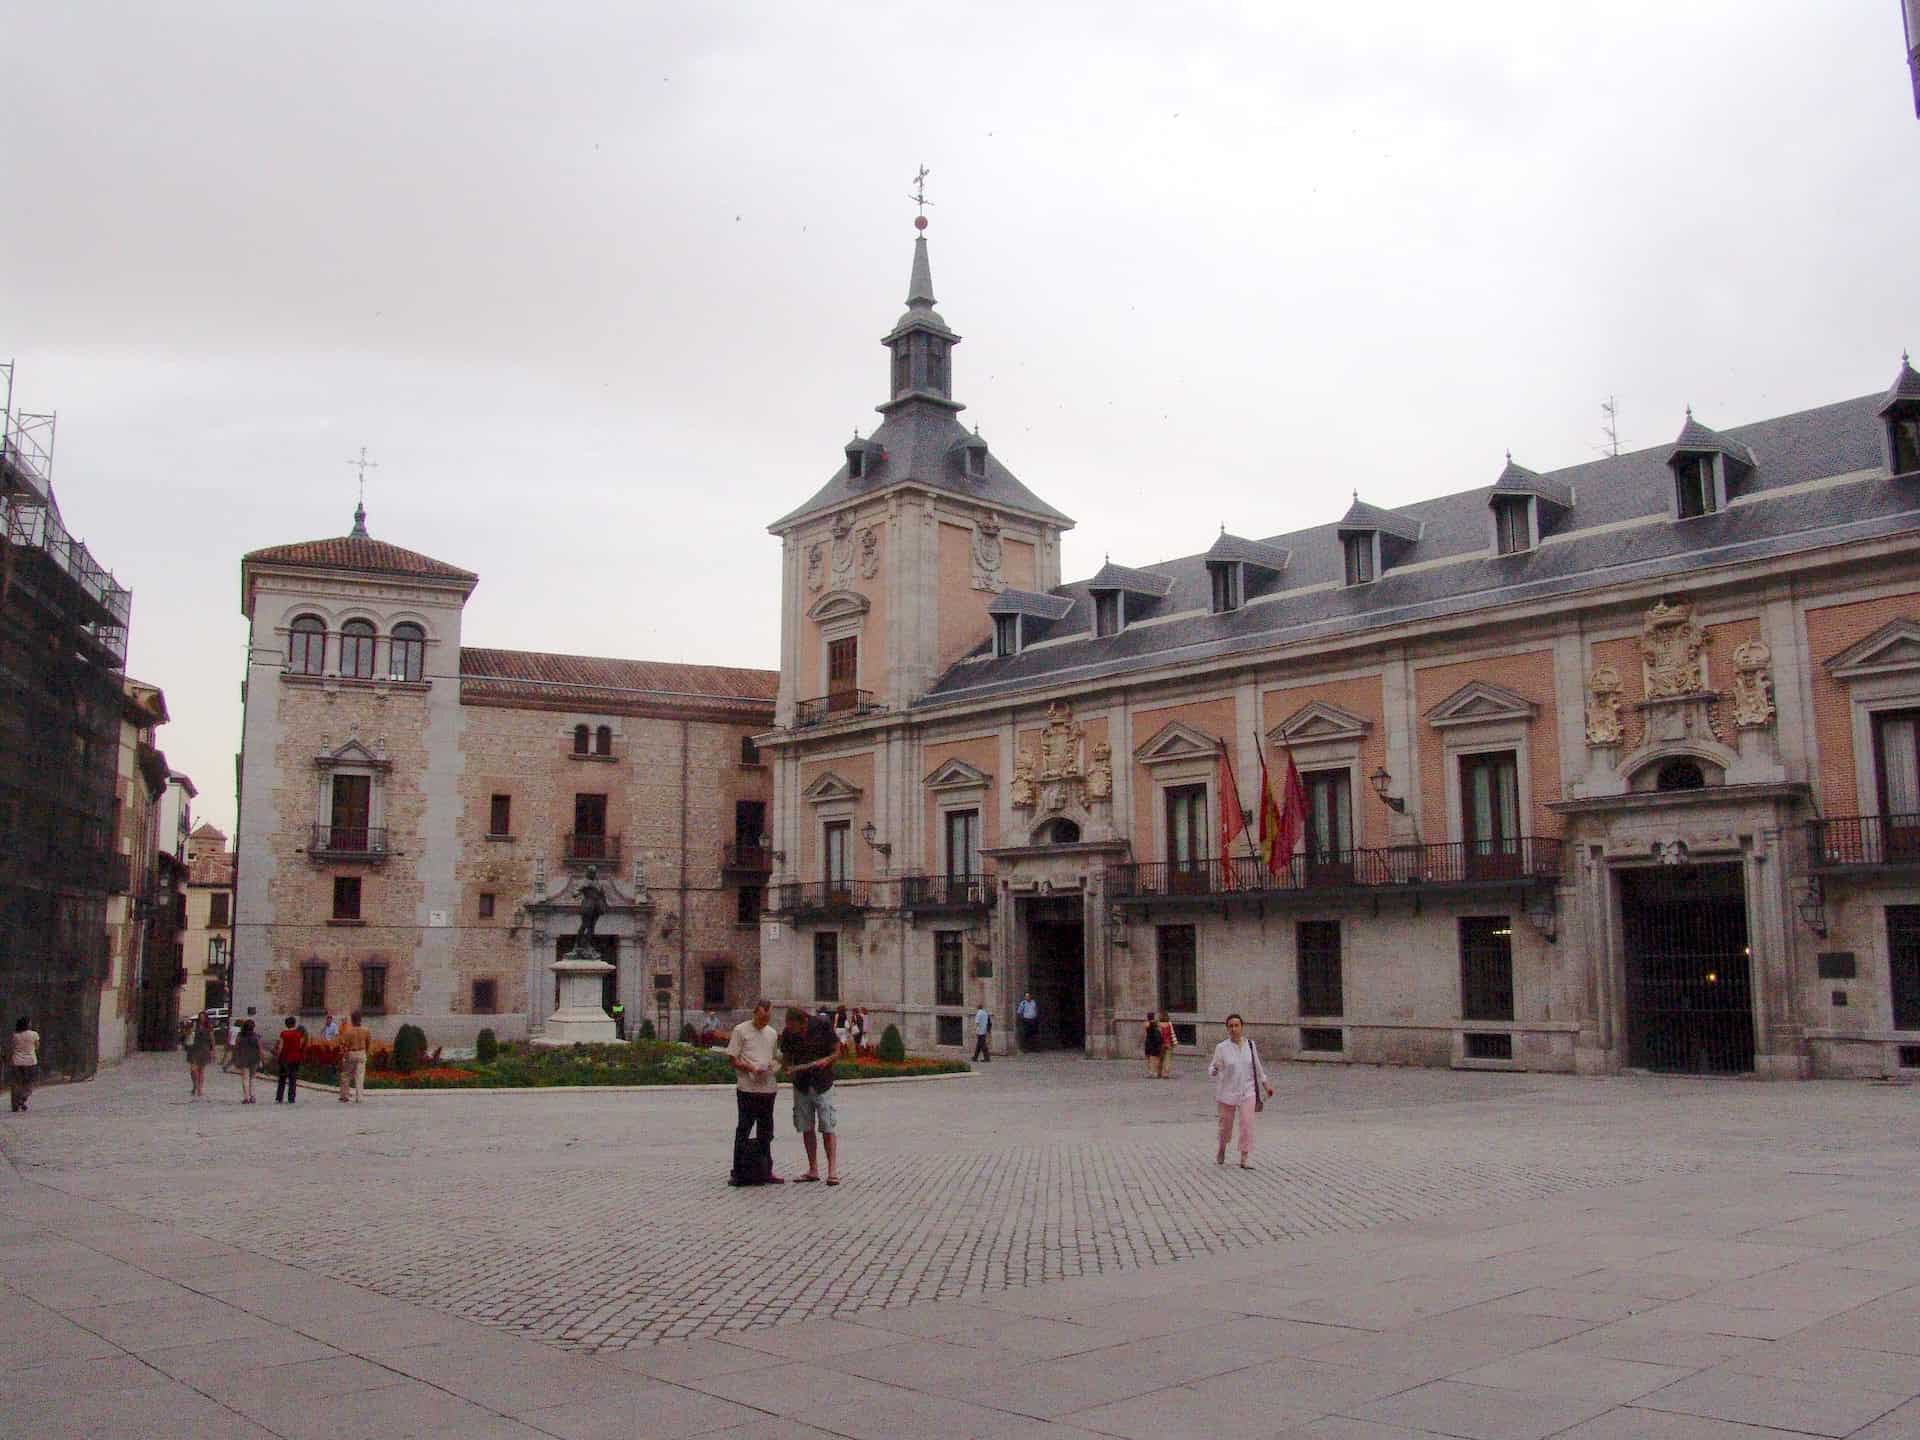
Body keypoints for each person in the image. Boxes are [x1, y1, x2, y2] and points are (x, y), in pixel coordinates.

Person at [778, 1006, 842, 1185]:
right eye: (788, 1026)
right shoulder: (788, 1033)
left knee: (827, 1126)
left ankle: (832, 1171)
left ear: (803, 1021)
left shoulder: (822, 1025)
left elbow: (837, 1050)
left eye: (793, 1026)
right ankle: (813, 1169)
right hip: (801, 1085)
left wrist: (826, 1060)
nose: (790, 1029)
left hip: (823, 1083)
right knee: (806, 1127)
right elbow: (785, 1055)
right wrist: (787, 1069)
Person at [726, 999, 783, 1186]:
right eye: (761, 1018)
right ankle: (738, 1171)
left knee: (766, 1131)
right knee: (744, 1128)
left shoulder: (772, 1033)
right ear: (754, 1014)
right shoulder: (740, 1031)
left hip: (767, 1088)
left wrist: (772, 1067)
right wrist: (750, 1067)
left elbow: (776, 1058)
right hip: (747, 1087)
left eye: (767, 1018)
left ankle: (766, 1169)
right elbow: (733, 1059)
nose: (764, 1022)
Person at [1208, 1013, 1273, 1169]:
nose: (1234, 1029)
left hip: (1247, 1091)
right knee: (1225, 1126)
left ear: (1242, 1027)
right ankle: (1222, 1146)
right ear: (1227, 1029)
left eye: (1237, 1025)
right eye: (1230, 1026)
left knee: (1247, 1123)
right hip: (1227, 1093)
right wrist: (1215, 1069)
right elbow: (1211, 1069)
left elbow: (1257, 1067)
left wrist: (1266, 1085)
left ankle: (1245, 1156)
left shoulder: (1250, 1045)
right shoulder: (1222, 1048)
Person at [337, 1010, 372, 1103]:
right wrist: (366, 1052)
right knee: (360, 1076)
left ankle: (344, 1096)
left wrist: (344, 1054)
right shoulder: (366, 1030)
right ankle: (359, 1097)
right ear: (360, 1019)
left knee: (346, 1075)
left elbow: (344, 1044)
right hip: (362, 1053)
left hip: (351, 1053)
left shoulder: (348, 1032)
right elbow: (369, 1043)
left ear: (352, 1020)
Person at [9, 1016, 40, 1113]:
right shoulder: (34, 1034)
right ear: (27, 1024)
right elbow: (37, 1046)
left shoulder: (15, 1035)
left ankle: (16, 1102)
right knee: (29, 1082)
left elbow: (12, 1047)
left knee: (18, 1082)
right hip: (30, 1061)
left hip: (17, 1061)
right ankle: (22, 1098)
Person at [273, 1015, 304, 1104]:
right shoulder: (299, 1034)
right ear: (294, 1024)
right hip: (295, 1058)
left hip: (285, 1058)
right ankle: (291, 1098)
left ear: (286, 1024)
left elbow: (280, 1047)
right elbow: (300, 1045)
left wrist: (277, 1055)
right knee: (293, 1079)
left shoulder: (284, 1034)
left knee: (282, 1078)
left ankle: (279, 1097)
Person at [232, 1019, 263, 1103]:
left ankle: (246, 1097)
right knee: (252, 1078)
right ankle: (252, 1096)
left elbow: (236, 1048)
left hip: (243, 1058)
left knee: (245, 1078)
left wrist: (235, 1058)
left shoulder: (240, 1036)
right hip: (254, 1058)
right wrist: (261, 1060)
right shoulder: (256, 1036)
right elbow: (260, 1049)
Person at [185, 1016, 214, 1099]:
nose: (202, 1019)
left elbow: (212, 1039)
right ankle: (195, 1085)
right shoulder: (194, 1026)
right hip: (193, 1049)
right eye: (200, 1017)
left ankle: (199, 1088)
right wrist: (189, 1029)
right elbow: (187, 1035)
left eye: (203, 1017)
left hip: (204, 1049)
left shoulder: (208, 1028)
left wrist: (213, 1051)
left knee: (201, 1070)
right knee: (193, 1069)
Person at [1142, 1012, 1163, 1078]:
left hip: (1149, 1041)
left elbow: (1144, 1032)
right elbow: (1160, 1031)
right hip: (1156, 1042)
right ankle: (1156, 1072)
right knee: (1156, 1057)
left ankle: (1150, 1071)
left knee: (1148, 1057)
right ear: (1153, 1016)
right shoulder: (1157, 1023)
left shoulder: (1146, 1023)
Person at [1157, 1012, 1177, 1078]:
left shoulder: (1158, 1025)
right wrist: (1175, 1042)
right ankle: (1166, 1073)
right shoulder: (1169, 1024)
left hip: (1160, 1044)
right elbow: (1172, 1033)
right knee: (1168, 1059)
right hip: (1168, 1043)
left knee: (1160, 1059)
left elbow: (1157, 1035)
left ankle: (1159, 1073)